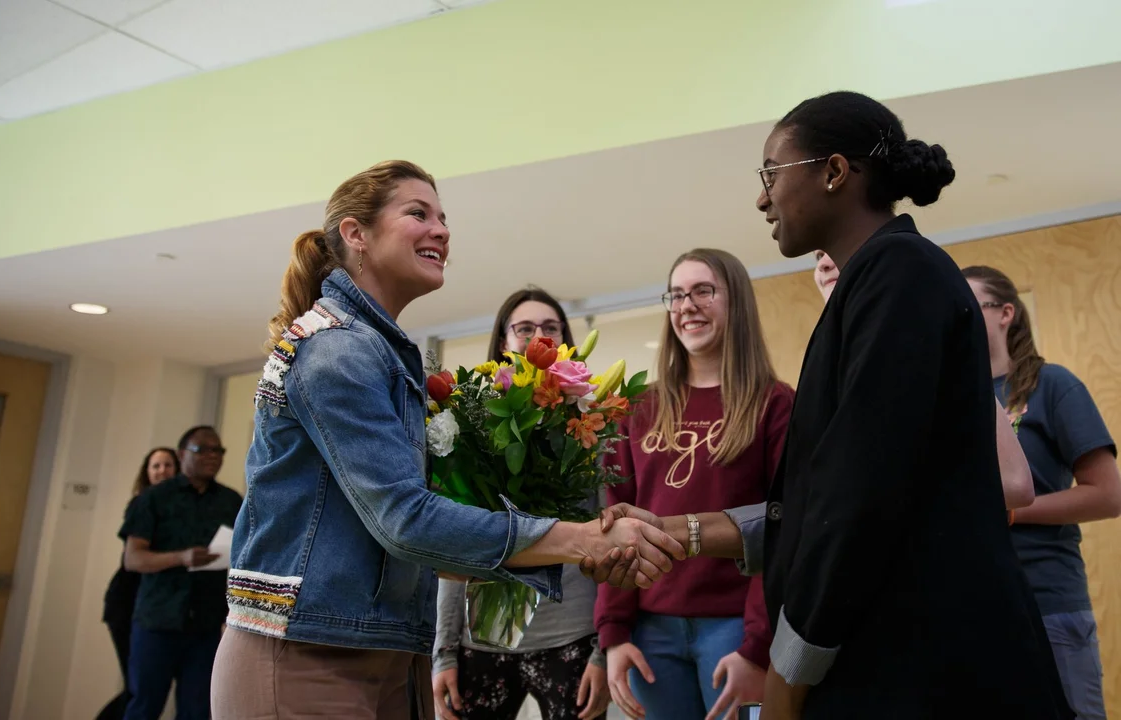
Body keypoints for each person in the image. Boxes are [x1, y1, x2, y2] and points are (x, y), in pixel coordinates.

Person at [587, 91, 1072, 719]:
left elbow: (859, 497)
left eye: (770, 174)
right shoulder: (871, 286)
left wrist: (790, 668)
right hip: (891, 649)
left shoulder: (901, 272)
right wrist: (675, 530)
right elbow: (815, 500)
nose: (762, 198)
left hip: (930, 656)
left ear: (835, 172)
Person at [208, 160, 684, 719]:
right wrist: (583, 541)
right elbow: (406, 521)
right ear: (356, 235)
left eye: (443, 217)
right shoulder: (338, 350)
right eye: (418, 213)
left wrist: (587, 546)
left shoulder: (382, 351)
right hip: (309, 652)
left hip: (376, 647)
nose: (442, 230)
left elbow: (415, 543)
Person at [596, 249, 789, 720]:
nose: (687, 305)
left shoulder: (775, 403)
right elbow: (613, 521)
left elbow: (784, 529)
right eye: (676, 294)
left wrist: (757, 647)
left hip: (736, 629)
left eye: (703, 290)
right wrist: (614, 635)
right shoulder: (638, 406)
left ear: (735, 301)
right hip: (650, 631)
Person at [433, 287, 611, 720]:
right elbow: (455, 539)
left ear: (565, 343)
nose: (538, 336)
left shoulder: (589, 423)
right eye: (525, 328)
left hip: (573, 635)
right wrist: (444, 651)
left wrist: (604, 650)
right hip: (482, 640)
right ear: (503, 342)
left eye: (551, 329)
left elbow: (608, 533)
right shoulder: (471, 419)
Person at [962, 265, 1121, 720]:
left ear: (1005, 313)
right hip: (974, 607)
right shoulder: (952, 398)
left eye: (971, 302)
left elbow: (1107, 495)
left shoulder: (1054, 386)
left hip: (1049, 601)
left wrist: (1011, 513)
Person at [810, 251, 1035, 511]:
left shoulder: (931, 348)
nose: (824, 264)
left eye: (836, 251)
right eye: (817, 256)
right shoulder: (829, 366)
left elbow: (1015, 483)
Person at [121, 426, 243, 720]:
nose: (213, 456)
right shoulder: (154, 499)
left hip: (205, 625)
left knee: (197, 710)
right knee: (144, 706)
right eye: (203, 450)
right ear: (181, 454)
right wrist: (181, 557)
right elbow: (133, 559)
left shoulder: (231, 501)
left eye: (218, 450)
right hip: (157, 621)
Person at [96, 447, 178, 720]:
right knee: (138, 688)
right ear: (147, 472)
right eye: (155, 466)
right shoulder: (143, 503)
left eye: (167, 465)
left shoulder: (183, 505)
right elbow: (137, 559)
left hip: (156, 605)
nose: (162, 471)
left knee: (144, 687)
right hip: (127, 602)